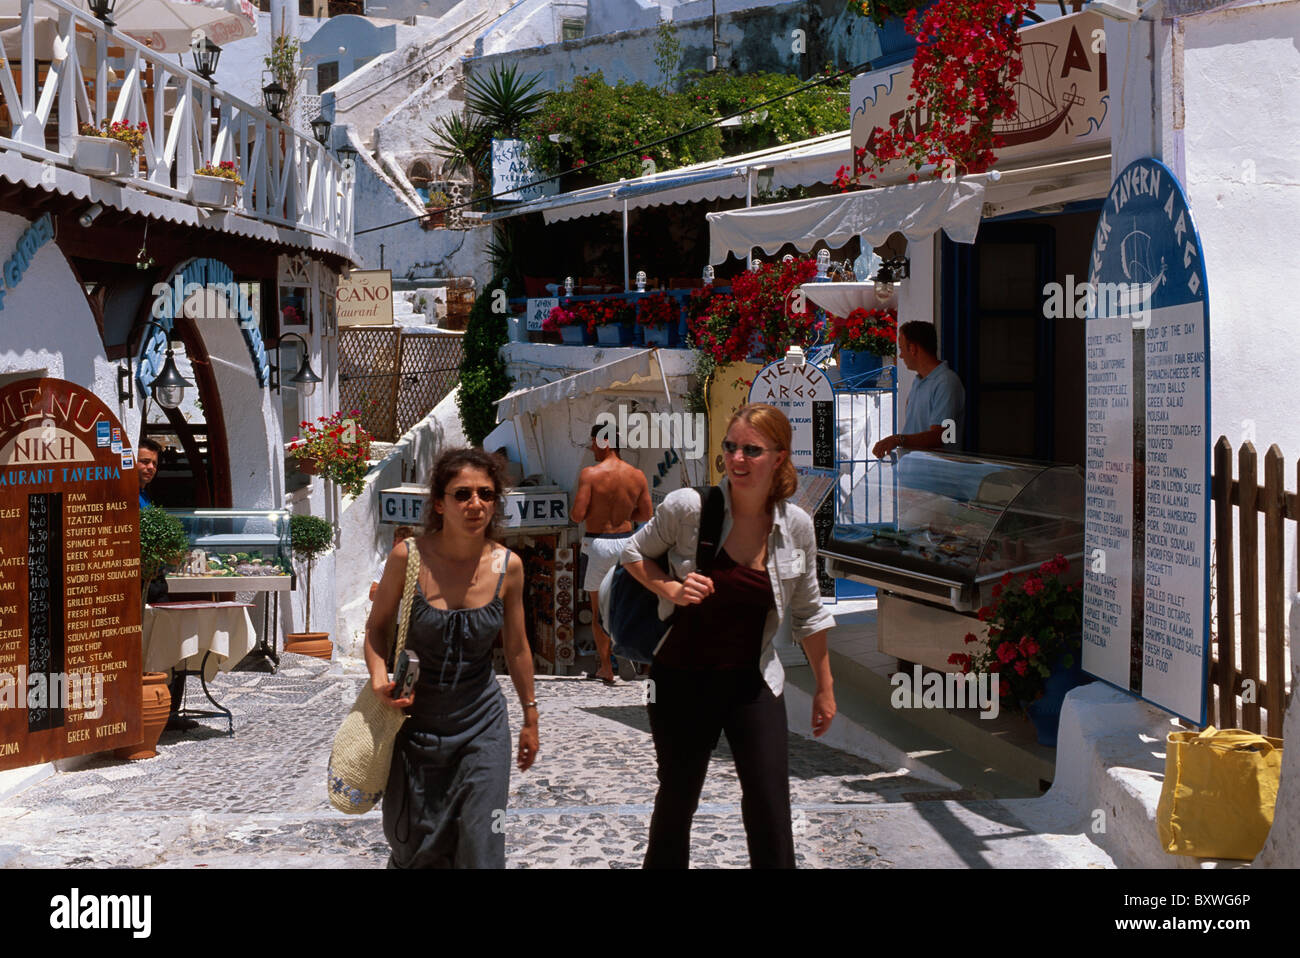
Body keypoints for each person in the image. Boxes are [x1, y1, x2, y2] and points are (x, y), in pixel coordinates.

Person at [621, 403, 836, 869]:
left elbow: (810, 611)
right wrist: (671, 588)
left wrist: (825, 688)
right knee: (678, 798)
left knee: (769, 802)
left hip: (751, 682)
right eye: (730, 447)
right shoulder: (689, 509)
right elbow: (634, 553)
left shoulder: (794, 527)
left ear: (779, 457)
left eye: (752, 450)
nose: (737, 459)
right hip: (680, 679)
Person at [365, 447, 538, 868]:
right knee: (416, 847)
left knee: (483, 840)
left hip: (482, 725)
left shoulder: (508, 567)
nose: (475, 504)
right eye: (462, 494)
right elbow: (376, 628)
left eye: (486, 494)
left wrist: (530, 717)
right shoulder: (408, 558)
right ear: (439, 503)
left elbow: (516, 648)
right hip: (415, 725)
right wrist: (378, 680)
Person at [571, 422, 652, 685]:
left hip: (598, 543)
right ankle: (637, 660)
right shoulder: (636, 475)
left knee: (598, 612)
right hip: (627, 542)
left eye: (594, 442)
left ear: (604, 442)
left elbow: (578, 515)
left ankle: (606, 667)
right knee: (628, 604)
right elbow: (646, 514)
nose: (592, 447)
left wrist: (595, 512)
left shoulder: (590, 474)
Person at [871, 320, 965, 458]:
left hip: (934, 475)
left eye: (902, 349)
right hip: (914, 471)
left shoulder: (946, 383)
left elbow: (943, 436)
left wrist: (899, 440)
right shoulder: (918, 381)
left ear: (913, 349)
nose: (901, 356)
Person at [137, 438, 161, 509]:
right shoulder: (125, 497)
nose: (151, 467)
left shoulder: (143, 494)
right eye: (145, 461)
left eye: (154, 463)